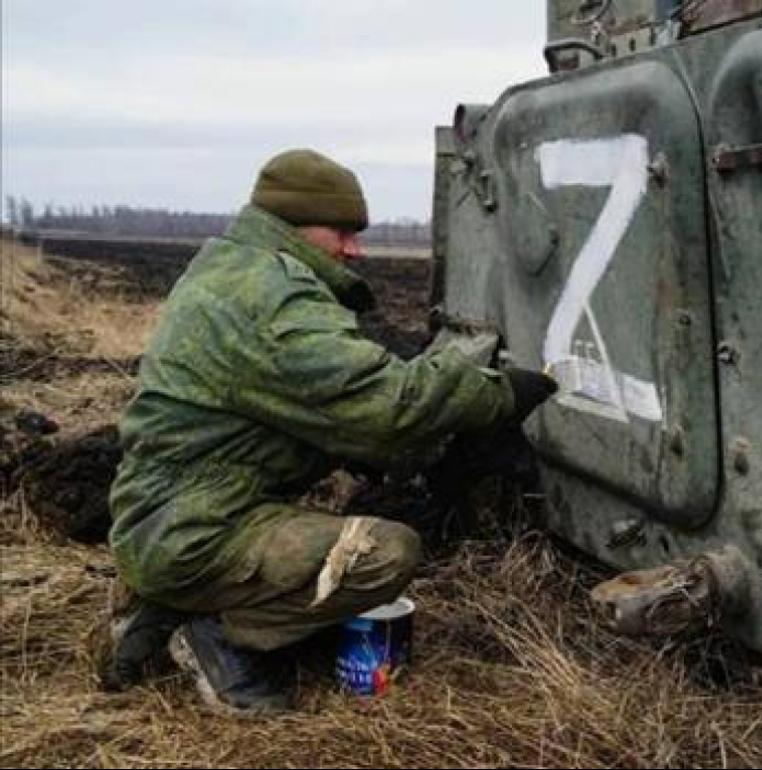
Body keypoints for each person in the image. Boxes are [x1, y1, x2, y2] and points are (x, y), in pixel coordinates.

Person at [105, 148, 557, 712]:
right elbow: (386, 404)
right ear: (290, 225)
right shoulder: (271, 298)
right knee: (382, 553)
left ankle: (167, 605)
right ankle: (219, 639)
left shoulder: (230, 269)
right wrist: (499, 392)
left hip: (167, 517)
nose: (354, 249)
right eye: (340, 231)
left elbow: (309, 404)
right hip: (195, 530)